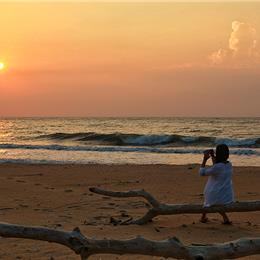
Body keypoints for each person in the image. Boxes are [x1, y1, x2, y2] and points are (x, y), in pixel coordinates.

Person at [199, 144, 234, 224]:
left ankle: (203, 217)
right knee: (214, 200)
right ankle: (223, 218)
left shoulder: (217, 167)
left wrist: (204, 159)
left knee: (209, 198)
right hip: (227, 196)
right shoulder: (229, 165)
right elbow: (217, 166)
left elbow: (201, 173)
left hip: (215, 194)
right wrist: (212, 156)